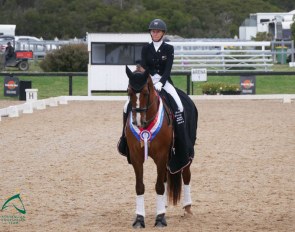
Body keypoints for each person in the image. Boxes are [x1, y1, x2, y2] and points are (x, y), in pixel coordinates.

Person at [118, 19, 192, 172]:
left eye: (157, 31)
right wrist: (148, 81)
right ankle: (124, 140)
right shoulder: (146, 49)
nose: (155, 33)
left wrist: (162, 82)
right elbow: (144, 66)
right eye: (152, 31)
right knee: (127, 106)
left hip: (165, 82)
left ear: (163, 33)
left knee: (178, 104)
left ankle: (179, 141)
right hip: (149, 82)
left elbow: (168, 69)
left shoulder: (169, 48)